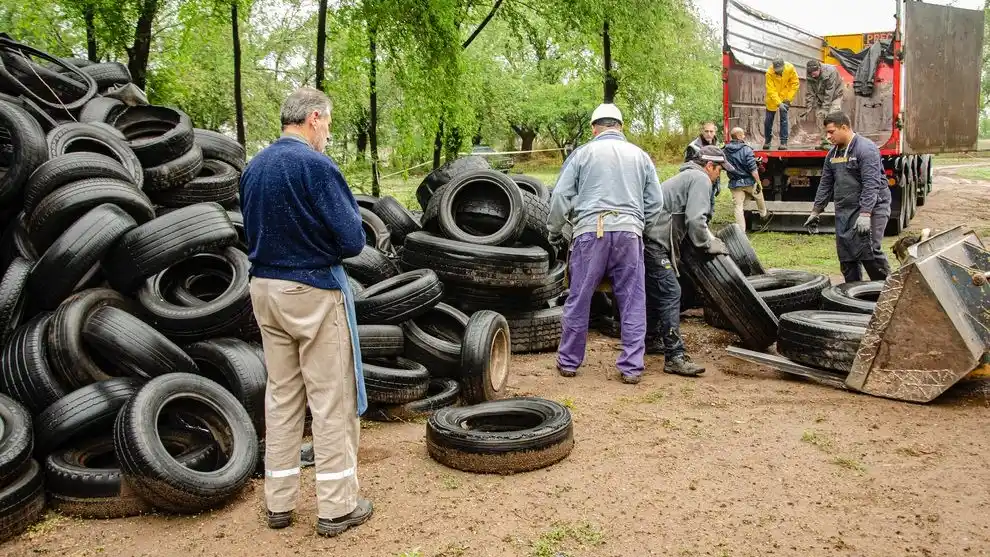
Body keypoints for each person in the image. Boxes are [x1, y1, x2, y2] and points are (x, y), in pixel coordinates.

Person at [240, 87, 373, 537]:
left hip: (264, 289)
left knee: (281, 397)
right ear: (314, 118)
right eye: (329, 124)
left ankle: (278, 503)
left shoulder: (254, 167)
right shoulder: (316, 167)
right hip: (312, 292)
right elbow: (353, 240)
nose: (328, 133)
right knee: (331, 400)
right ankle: (337, 508)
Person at [548, 102, 664, 385]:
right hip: (629, 233)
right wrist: (639, 225)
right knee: (632, 300)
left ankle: (568, 363)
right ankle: (631, 367)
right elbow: (656, 201)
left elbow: (561, 197)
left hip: (590, 232)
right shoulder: (640, 155)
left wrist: (554, 231)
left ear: (593, 128)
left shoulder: (582, 154)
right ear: (620, 127)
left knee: (579, 297)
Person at [644, 145, 734, 377]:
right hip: (654, 243)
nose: (718, 176)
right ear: (709, 166)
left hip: (646, 241)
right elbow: (696, 221)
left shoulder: (686, 176)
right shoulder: (700, 179)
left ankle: (651, 339)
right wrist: (710, 244)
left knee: (658, 291)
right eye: (719, 171)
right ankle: (674, 357)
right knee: (670, 292)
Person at [804, 112, 891, 283]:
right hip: (846, 209)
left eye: (831, 132)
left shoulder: (866, 149)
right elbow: (825, 184)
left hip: (872, 206)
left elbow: (871, 184)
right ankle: (851, 296)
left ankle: (886, 292)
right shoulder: (832, 155)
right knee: (847, 255)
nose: (828, 137)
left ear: (844, 127)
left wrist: (866, 214)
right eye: (827, 133)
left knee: (870, 251)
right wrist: (816, 211)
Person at [723, 127, 770, 231]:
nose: (744, 136)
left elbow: (723, 165)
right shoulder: (747, 149)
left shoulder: (725, 150)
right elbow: (753, 171)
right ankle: (763, 214)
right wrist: (758, 183)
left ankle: (741, 232)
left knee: (738, 207)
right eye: (743, 134)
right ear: (739, 136)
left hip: (735, 184)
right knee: (758, 195)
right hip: (748, 182)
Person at [684, 121, 720, 221]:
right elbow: (687, 166)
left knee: (711, 206)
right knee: (700, 208)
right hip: (699, 183)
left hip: (712, 182)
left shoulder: (717, 145)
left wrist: (718, 184)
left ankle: (706, 228)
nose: (709, 134)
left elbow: (718, 165)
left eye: (711, 131)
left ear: (715, 132)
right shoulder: (693, 147)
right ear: (702, 132)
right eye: (706, 131)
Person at [805, 60, 844, 148]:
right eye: (810, 73)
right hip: (821, 97)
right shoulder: (810, 73)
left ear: (819, 69)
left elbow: (830, 91)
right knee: (820, 117)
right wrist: (808, 107)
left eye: (814, 73)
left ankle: (836, 142)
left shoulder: (831, 71)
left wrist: (825, 108)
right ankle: (825, 142)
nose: (812, 75)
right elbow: (810, 92)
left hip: (835, 95)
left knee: (832, 117)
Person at [763, 56, 799, 150]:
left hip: (785, 97)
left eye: (780, 70)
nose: (778, 72)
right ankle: (767, 140)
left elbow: (795, 84)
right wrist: (779, 103)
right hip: (772, 99)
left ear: (784, 66)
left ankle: (783, 142)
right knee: (768, 121)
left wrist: (788, 99)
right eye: (776, 70)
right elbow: (771, 90)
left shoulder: (790, 68)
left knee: (784, 120)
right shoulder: (769, 73)